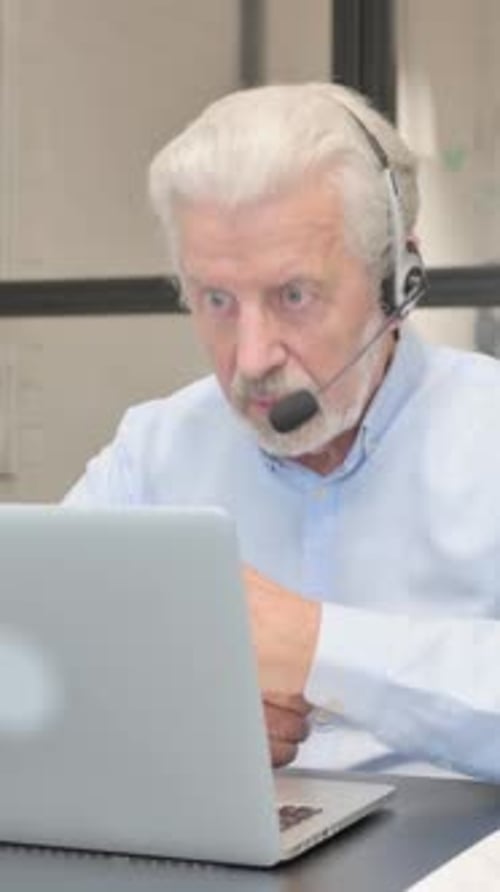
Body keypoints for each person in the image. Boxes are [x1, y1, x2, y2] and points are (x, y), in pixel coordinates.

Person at [64, 82, 500, 781]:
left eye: (294, 295)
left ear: (399, 280)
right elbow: (35, 666)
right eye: (216, 300)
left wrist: (319, 648)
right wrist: (166, 719)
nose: (251, 359)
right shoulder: (153, 452)